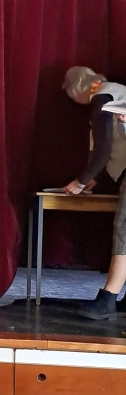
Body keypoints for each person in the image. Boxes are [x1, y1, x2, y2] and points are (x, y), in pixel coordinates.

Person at [62, 65, 126, 319]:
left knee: (124, 232)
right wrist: (94, 180)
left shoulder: (102, 97)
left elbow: (103, 148)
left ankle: (107, 300)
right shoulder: (118, 91)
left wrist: (80, 182)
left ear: (78, 87)